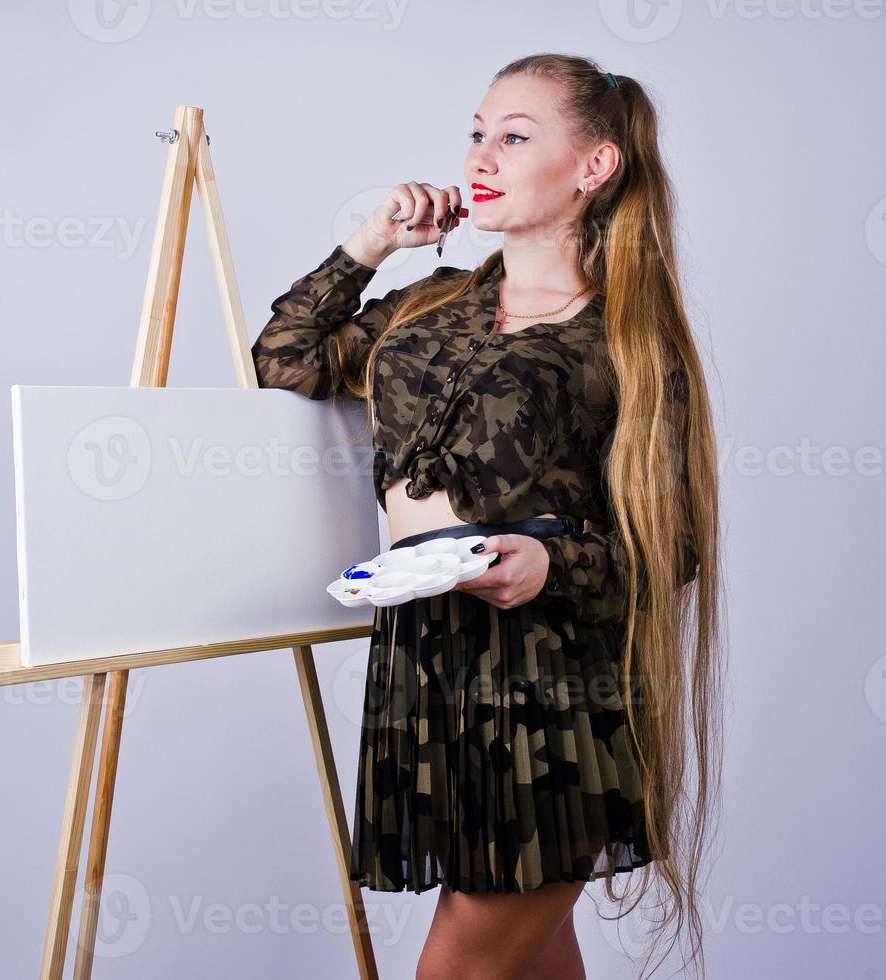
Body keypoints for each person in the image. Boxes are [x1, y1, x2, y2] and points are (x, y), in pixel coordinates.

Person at [251, 53, 724, 980]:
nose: (482, 155)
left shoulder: (622, 338)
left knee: (459, 970)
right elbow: (286, 357)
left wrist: (549, 566)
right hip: (429, 669)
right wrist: (372, 241)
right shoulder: (429, 308)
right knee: (535, 965)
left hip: (547, 693)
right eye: (476, 133)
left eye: (514, 137)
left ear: (592, 167)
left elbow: (674, 544)